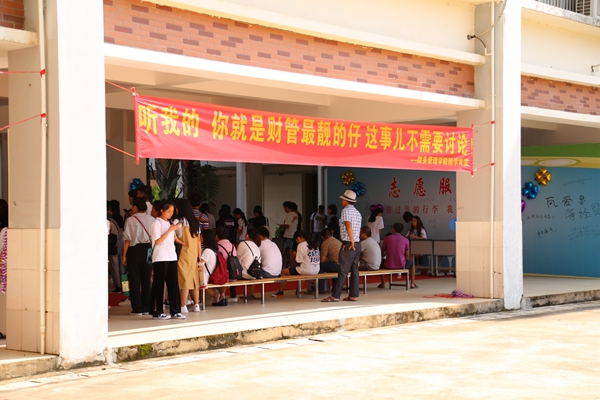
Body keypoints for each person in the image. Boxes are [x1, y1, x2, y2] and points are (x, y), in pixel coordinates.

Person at [322, 190, 362, 302]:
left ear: (346, 200)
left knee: (343, 270)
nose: (342, 201)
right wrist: (355, 241)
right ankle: (353, 295)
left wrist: (351, 241)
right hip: (357, 244)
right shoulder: (357, 213)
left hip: (349, 243)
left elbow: (348, 225)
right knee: (354, 270)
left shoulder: (346, 211)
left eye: (343, 199)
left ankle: (335, 295)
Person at [149, 200, 185, 320]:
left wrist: (181, 242)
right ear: (162, 211)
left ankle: (176, 310)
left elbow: (173, 238)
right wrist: (170, 229)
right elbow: (158, 241)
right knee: (159, 284)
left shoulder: (169, 222)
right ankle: (157, 311)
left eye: (172, 211)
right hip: (160, 256)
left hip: (171, 255)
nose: (171, 214)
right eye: (168, 211)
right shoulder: (157, 223)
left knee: (173, 284)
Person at [122, 198, 155, 315]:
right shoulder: (152, 220)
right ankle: (146, 307)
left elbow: (127, 239)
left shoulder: (130, 220)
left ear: (135, 207)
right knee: (147, 279)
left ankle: (137, 308)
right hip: (148, 250)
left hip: (134, 250)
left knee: (134, 279)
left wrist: (124, 255)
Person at [271, 230, 319, 297]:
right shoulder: (314, 245)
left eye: (296, 240)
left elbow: (299, 261)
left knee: (284, 272)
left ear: (299, 237)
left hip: (307, 269)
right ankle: (298, 290)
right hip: (316, 269)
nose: (297, 242)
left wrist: (296, 254)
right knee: (303, 272)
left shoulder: (301, 245)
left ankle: (280, 292)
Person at [175, 199, 202, 314]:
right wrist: (199, 255)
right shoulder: (195, 222)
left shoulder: (178, 222)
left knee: (184, 279)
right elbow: (198, 241)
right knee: (194, 280)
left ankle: (183, 305)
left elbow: (174, 236)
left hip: (183, 253)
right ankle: (196, 305)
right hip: (194, 254)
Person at [381, 222, 416, 289]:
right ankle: (412, 283)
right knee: (412, 264)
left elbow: (382, 252)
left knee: (381, 263)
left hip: (388, 264)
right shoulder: (406, 240)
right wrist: (404, 260)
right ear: (402, 231)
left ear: (393, 229)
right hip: (401, 265)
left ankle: (383, 283)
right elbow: (407, 255)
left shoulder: (387, 238)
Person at [199, 229, 227, 306]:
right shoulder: (214, 250)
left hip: (206, 276)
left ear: (205, 238)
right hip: (213, 274)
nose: (199, 238)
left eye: (201, 236)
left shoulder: (207, 251)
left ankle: (215, 295)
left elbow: (200, 264)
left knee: (196, 282)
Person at [215, 226, 239, 302]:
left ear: (216, 236)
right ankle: (233, 295)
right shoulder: (232, 246)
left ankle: (221, 294)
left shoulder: (217, 247)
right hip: (234, 274)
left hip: (223, 274)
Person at [317, 228, 342, 293]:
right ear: (332, 234)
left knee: (319, 266)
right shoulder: (338, 241)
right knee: (332, 267)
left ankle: (321, 288)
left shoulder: (325, 243)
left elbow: (322, 260)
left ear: (322, 237)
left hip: (335, 265)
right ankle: (335, 288)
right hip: (342, 265)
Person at [107, 201, 124, 293]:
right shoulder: (120, 218)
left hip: (113, 245)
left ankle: (118, 286)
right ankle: (124, 284)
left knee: (114, 266)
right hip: (121, 244)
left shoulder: (110, 220)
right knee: (121, 266)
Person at [278, 201, 298, 269]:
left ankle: (291, 266)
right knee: (293, 251)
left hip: (288, 235)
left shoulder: (288, 215)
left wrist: (282, 225)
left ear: (287, 207)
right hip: (294, 234)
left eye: (284, 207)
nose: (284, 209)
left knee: (289, 252)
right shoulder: (296, 215)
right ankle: (294, 265)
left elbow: (288, 225)